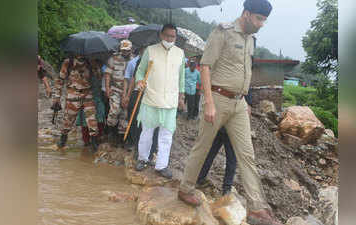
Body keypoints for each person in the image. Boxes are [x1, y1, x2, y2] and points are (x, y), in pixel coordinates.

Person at [177, 1, 283, 225]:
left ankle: (257, 208)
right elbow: (205, 66)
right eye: (259, 19)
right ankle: (185, 188)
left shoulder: (251, 40)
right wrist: (208, 103)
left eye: (264, 20)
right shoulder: (222, 32)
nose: (262, 24)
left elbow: (245, 71)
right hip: (217, 98)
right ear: (246, 14)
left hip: (239, 104)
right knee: (202, 146)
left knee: (247, 154)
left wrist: (246, 100)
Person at [134, 23, 185, 179]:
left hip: (170, 101)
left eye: (173, 36)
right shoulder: (150, 51)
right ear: (161, 35)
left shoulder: (180, 53)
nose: (170, 39)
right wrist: (140, 82)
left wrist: (181, 96)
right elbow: (140, 72)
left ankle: (161, 165)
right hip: (151, 98)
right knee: (147, 133)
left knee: (166, 136)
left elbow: (181, 77)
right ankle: (143, 159)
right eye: (167, 36)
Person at [196, 90, 253, 196]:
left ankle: (226, 188)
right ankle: (202, 178)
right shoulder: (229, 86)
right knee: (212, 154)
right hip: (221, 126)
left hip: (230, 130)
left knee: (230, 159)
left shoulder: (244, 90)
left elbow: (247, 111)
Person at [53, 55, 100, 152]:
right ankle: (63, 140)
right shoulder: (68, 62)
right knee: (68, 120)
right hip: (73, 94)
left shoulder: (90, 62)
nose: (80, 54)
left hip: (87, 94)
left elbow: (99, 76)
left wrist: (95, 66)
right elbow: (60, 80)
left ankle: (94, 143)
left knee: (92, 120)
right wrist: (57, 97)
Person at [104, 40, 133, 147]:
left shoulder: (133, 60)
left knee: (125, 114)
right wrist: (107, 88)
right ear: (120, 49)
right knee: (115, 110)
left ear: (130, 50)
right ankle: (110, 133)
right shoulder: (113, 59)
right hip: (115, 90)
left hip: (127, 92)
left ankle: (121, 138)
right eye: (123, 50)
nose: (125, 52)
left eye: (127, 50)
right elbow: (107, 74)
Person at [76, 59, 106, 146]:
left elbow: (102, 84)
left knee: (100, 118)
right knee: (85, 121)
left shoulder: (100, 71)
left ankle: (97, 138)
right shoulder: (83, 71)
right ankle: (87, 141)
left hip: (97, 98)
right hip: (86, 99)